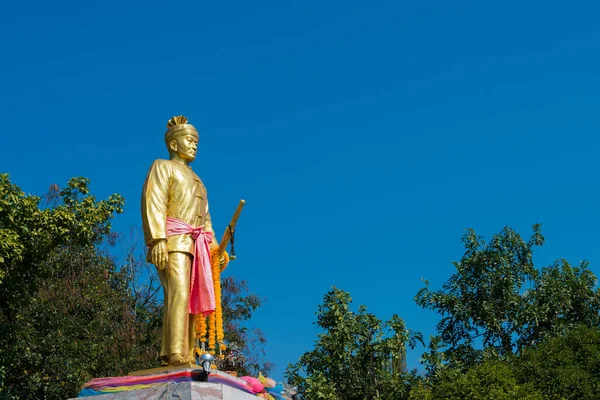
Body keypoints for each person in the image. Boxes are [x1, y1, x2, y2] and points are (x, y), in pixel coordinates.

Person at [141, 115, 217, 366]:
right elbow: (153, 202)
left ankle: (186, 351)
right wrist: (157, 240)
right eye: (189, 140)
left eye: (196, 141)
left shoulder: (199, 181)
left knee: (193, 299)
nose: (195, 145)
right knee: (179, 292)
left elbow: (205, 220)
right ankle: (173, 352)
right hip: (174, 241)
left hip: (197, 246)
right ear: (174, 144)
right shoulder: (163, 166)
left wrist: (216, 249)